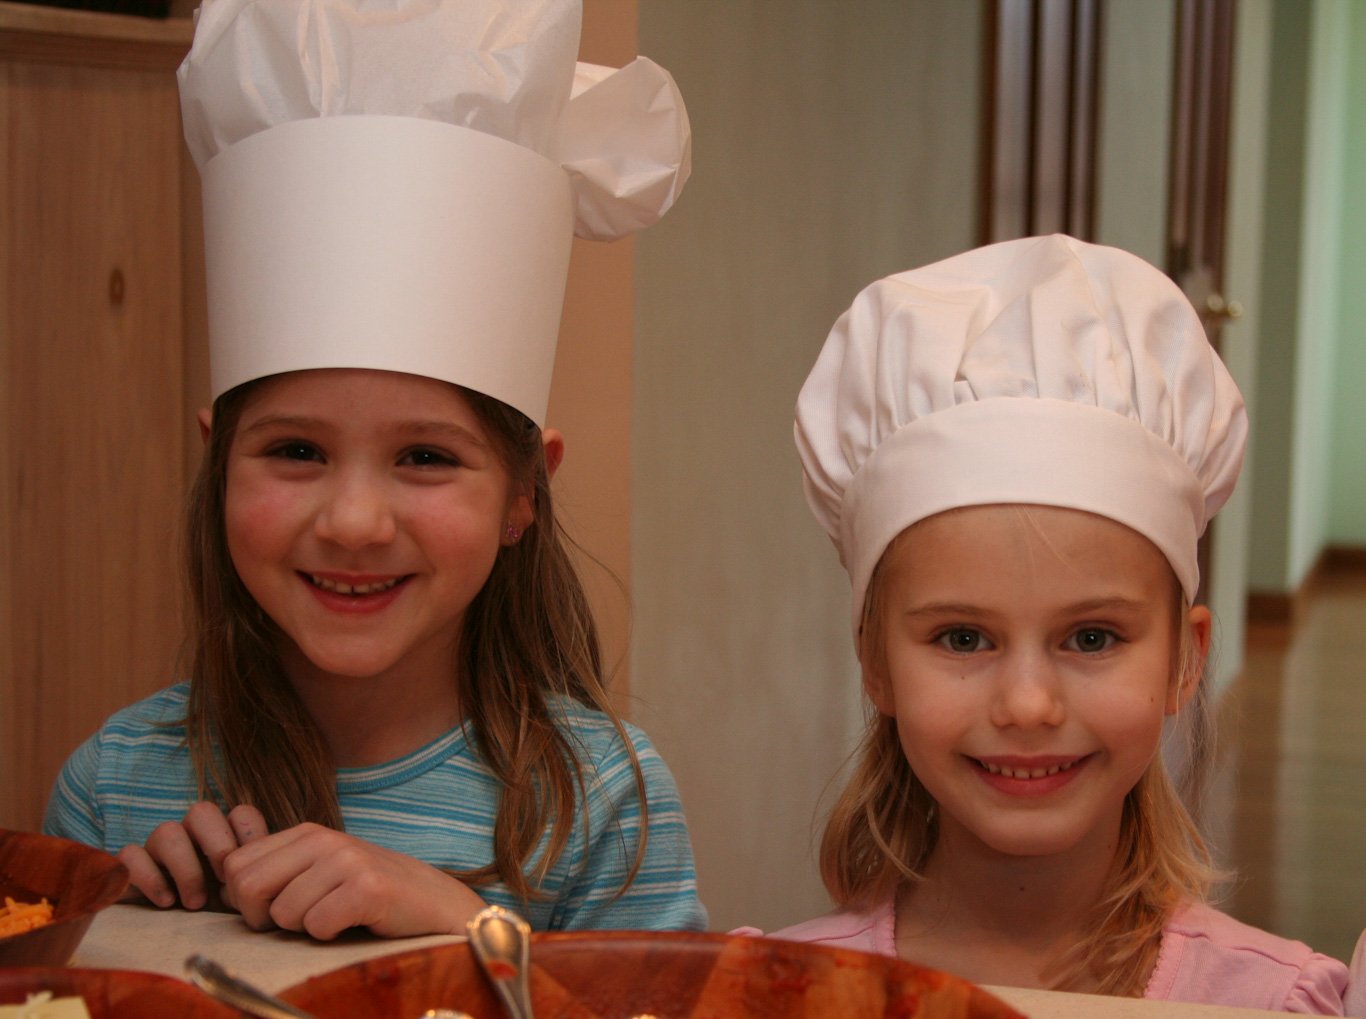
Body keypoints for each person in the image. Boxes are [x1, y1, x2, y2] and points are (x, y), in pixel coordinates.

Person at [44, 0, 706, 938]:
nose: (354, 520)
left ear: (525, 491)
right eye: (296, 451)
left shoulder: (600, 803)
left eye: (426, 457)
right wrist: (122, 922)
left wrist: (468, 929)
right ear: (217, 461)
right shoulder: (114, 786)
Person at [769, 234, 1347, 1009]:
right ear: (874, 659)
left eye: (1092, 637)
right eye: (963, 638)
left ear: (1185, 658)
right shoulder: (772, 992)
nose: (1029, 704)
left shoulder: (1271, 1001)